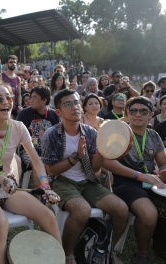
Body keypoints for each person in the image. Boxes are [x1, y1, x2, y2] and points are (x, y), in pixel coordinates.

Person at [0, 81, 61, 264]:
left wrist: (45, 186)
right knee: (0, 222)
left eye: (9, 97)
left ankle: (60, 260)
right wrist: (1, 179)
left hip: (8, 188)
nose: (6, 102)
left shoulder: (18, 127)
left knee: (48, 216)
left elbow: (36, 161)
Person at [103, 96, 166, 263]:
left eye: (143, 111)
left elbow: (163, 163)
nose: (137, 114)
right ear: (128, 113)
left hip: (152, 181)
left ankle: (164, 248)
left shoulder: (153, 135)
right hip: (127, 183)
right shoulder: (119, 133)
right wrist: (140, 175)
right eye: (133, 111)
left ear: (151, 115)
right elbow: (107, 162)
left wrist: (164, 172)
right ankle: (142, 252)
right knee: (149, 214)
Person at [40, 89, 128, 264]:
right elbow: (51, 171)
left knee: (121, 209)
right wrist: (76, 157)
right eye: (68, 104)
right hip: (62, 181)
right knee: (82, 210)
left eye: (77, 102)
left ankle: (107, 249)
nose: (75, 107)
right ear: (58, 112)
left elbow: (95, 166)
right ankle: (68, 252)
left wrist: (104, 150)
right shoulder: (51, 135)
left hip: (87, 180)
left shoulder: (90, 132)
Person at [16, 86, 60, 189]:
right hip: (28, 151)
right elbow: (16, 134)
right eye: (31, 97)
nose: (31, 100)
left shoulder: (54, 115)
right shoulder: (24, 114)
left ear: (44, 100)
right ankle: (39, 196)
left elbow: (59, 136)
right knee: (38, 162)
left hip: (50, 152)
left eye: (34, 97)